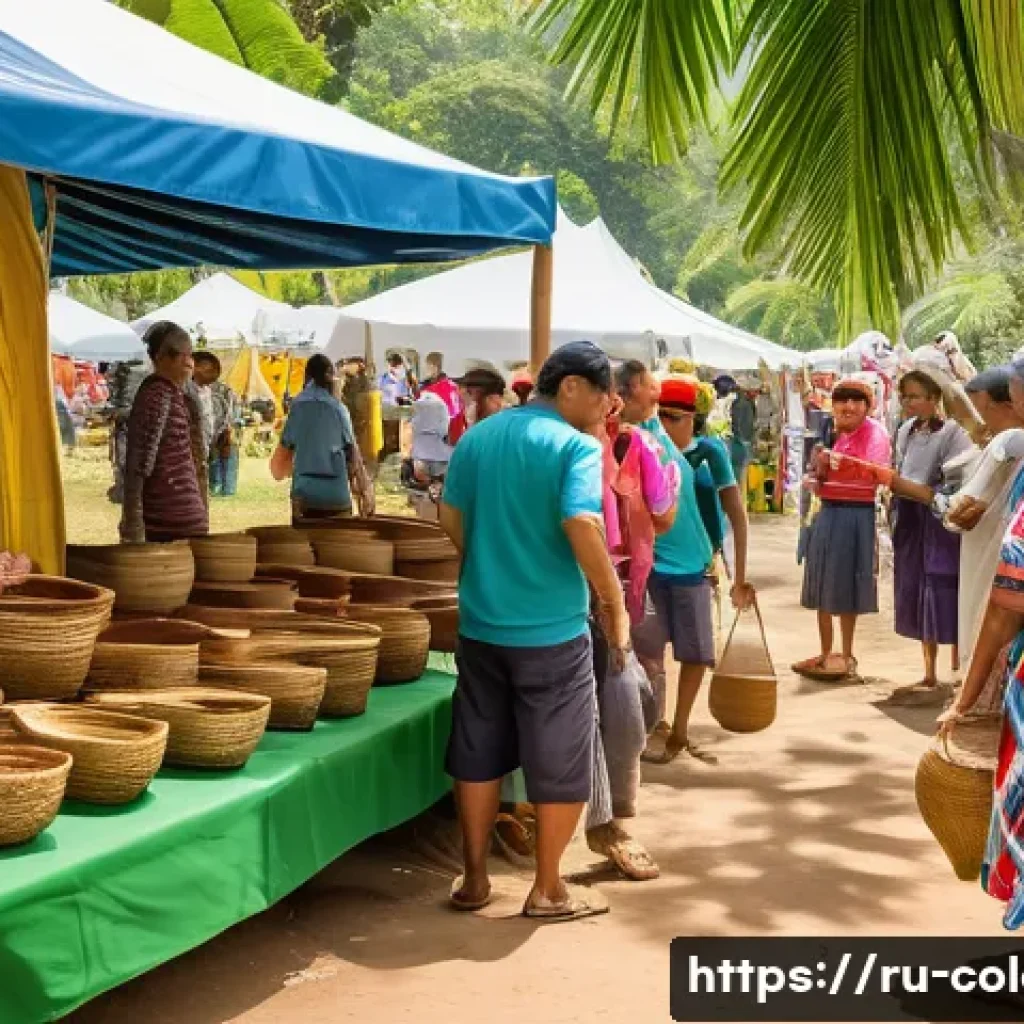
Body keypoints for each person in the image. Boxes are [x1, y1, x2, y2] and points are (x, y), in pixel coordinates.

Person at [439, 340, 627, 921]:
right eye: (602, 397)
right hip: (552, 633)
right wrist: (612, 599)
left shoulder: (480, 436)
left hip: (481, 625)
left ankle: (473, 880)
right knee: (561, 759)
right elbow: (579, 519)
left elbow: (450, 515)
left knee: (478, 751)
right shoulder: (576, 445)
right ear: (570, 386)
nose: (606, 410)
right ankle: (548, 889)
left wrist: (490, 563)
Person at [583, 386, 679, 878]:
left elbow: (662, 514)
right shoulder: (572, 446)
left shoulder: (636, 447)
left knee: (626, 700)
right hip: (584, 598)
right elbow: (665, 514)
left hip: (614, 596)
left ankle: (608, 819)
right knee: (617, 706)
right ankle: (609, 822)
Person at [640, 375, 755, 764]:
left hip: (696, 568)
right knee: (648, 655)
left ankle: (681, 729)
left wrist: (740, 576)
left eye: (676, 416)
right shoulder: (644, 447)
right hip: (650, 567)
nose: (667, 424)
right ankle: (654, 727)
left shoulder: (709, 453)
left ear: (694, 417)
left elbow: (737, 515)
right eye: (662, 416)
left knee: (695, 654)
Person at [792, 377, 891, 681]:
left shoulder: (875, 433)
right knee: (821, 585)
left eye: (855, 401)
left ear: (867, 406)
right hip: (827, 511)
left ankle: (847, 655)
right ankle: (826, 654)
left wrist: (834, 461)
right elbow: (820, 473)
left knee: (848, 587)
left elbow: (877, 471)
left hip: (855, 515)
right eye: (842, 401)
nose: (848, 406)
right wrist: (817, 472)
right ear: (833, 405)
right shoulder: (831, 431)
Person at [884, 371, 974, 701]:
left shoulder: (953, 433)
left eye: (915, 396)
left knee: (943, 587)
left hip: (939, 519)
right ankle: (929, 673)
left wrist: (919, 491)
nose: (908, 402)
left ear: (935, 398)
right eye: (904, 396)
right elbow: (901, 468)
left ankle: (957, 673)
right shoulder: (905, 430)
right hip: (909, 516)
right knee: (917, 587)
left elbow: (955, 484)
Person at [120, 321, 209, 544]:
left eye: (191, 355)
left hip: (188, 519)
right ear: (161, 357)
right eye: (183, 355)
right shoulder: (154, 395)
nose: (189, 363)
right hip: (164, 521)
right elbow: (138, 465)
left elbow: (197, 458)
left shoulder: (181, 396)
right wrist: (133, 524)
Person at [273, 354, 374, 521]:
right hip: (336, 498)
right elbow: (353, 456)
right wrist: (364, 493)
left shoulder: (298, 407)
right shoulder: (339, 409)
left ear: (307, 377)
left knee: (306, 546)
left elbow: (281, 460)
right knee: (335, 546)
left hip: (304, 499)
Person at [204, 358, 243, 499]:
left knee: (222, 457)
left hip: (220, 429)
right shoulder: (221, 389)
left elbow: (232, 411)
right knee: (218, 459)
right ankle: (222, 488)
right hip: (217, 429)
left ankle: (223, 488)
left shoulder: (223, 390)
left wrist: (228, 427)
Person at [379, 352, 413, 458]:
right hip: (386, 419)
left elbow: (409, 396)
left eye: (398, 365)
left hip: (401, 420)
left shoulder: (404, 381)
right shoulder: (382, 380)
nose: (396, 368)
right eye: (393, 365)